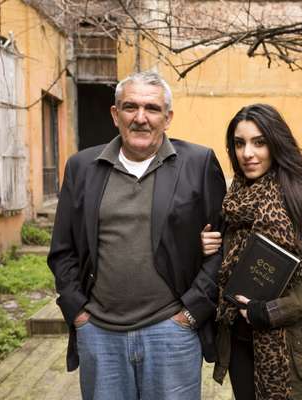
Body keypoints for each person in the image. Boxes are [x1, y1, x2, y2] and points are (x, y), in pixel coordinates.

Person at [47, 71, 226, 400]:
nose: (141, 118)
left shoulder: (198, 164)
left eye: (152, 109)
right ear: (116, 114)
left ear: (167, 117)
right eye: (130, 107)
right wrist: (79, 313)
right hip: (100, 333)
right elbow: (63, 250)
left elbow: (224, 247)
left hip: (171, 332)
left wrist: (190, 313)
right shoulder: (82, 167)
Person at [201, 104, 302, 400]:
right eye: (239, 143)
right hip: (238, 341)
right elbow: (226, 269)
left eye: (259, 142)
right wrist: (205, 248)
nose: (248, 153)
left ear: (276, 143)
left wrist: (269, 311)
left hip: (287, 344)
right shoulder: (233, 202)